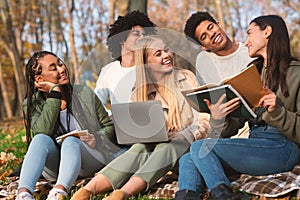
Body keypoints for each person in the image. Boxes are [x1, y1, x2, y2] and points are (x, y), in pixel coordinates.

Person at [175, 15, 300, 200]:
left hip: (282, 147)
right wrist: (219, 118)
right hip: (255, 142)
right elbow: (235, 124)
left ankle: (224, 195)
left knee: (201, 147)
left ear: (267, 31)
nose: (246, 41)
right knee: (189, 157)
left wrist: (278, 112)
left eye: (250, 34)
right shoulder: (252, 72)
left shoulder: (296, 72)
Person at [71, 35, 210, 200]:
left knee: (170, 145)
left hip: (188, 146)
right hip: (154, 152)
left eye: (166, 50)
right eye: (158, 54)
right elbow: (137, 133)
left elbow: (204, 119)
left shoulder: (187, 78)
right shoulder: (139, 91)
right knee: (140, 148)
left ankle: (121, 194)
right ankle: (85, 192)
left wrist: (184, 135)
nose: (166, 55)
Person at [16, 51, 119, 200]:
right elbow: (42, 131)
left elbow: (108, 126)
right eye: (53, 68)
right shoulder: (32, 103)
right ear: (39, 79)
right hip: (56, 166)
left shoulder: (83, 93)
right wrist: (55, 95)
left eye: (60, 63)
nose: (62, 68)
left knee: (70, 140)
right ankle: (24, 194)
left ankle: (59, 192)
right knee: (40, 139)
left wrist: (96, 138)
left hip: (90, 158)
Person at [183, 11, 254, 139]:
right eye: (204, 36)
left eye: (211, 27)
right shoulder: (203, 61)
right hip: (223, 130)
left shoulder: (249, 52)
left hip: (252, 128)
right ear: (203, 47)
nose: (211, 34)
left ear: (219, 24)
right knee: (193, 153)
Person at [94, 10, 156, 116]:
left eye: (144, 35)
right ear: (121, 40)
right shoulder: (108, 71)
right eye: (136, 34)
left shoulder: (150, 67)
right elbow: (97, 102)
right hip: (119, 128)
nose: (141, 38)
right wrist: (111, 117)